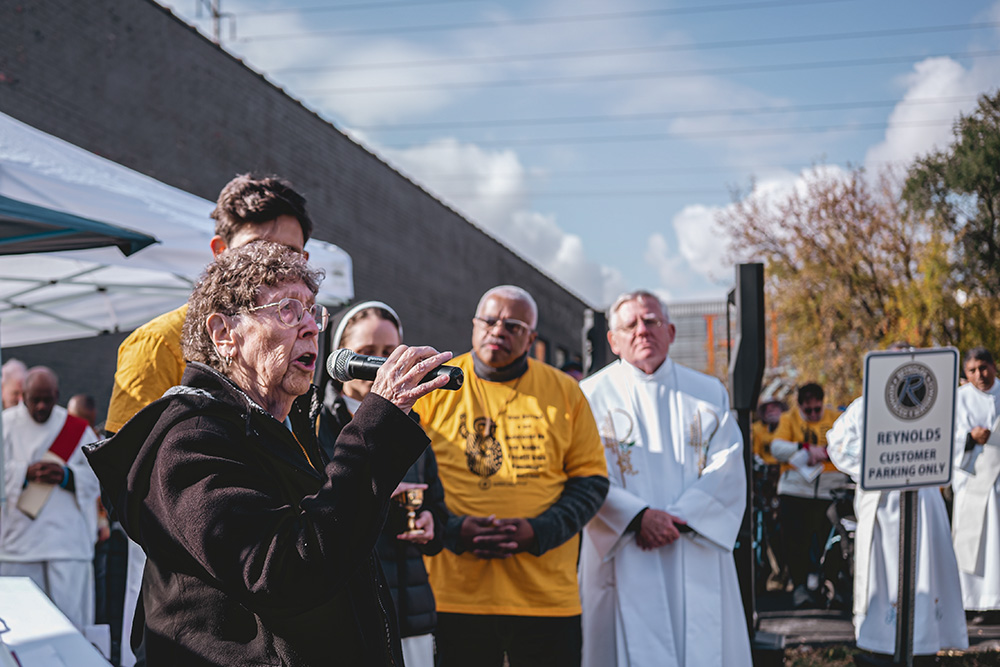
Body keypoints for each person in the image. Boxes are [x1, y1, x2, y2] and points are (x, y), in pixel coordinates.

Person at [84, 242, 452, 666]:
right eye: (288, 310)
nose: (312, 327)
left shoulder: (284, 429)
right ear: (224, 334)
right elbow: (285, 571)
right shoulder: (189, 439)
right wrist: (375, 427)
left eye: (314, 311)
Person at [104, 172, 314, 666]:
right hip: (194, 590)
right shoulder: (156, 343)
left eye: (295, 255)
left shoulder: (298, 346)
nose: (279, 264)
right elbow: (128, 486)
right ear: (220, 250)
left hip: (282, 579)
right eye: (262, 248)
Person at [415, 285, 609, 667]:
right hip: (453, 591)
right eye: (489, 320)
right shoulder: (435, 386)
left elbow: (591, 483)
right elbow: (407, 480)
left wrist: (539, 532)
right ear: (473, 324)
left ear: (532, 338)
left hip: (545, 596)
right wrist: (452, 530)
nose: (497, 330)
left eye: (513, 325)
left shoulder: (565, 392)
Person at [579, 290, 752, 667]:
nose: (643, 331)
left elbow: (727, 466)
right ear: (613, 339)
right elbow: (580, 472)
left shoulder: (708, 392)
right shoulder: (587, 397)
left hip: (692, 544)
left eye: (652, 321)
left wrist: (675, 518)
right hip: (622, 548)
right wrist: (638, 517)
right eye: (630, 324)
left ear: (670, 331)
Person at [318, 301, 447, 667]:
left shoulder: (414, 426)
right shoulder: (318, 423)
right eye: (367, 353)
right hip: (350, 609)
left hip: (413, 609)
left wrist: (430, 524)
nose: (380, 364)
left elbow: (440, 513)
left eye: (389, 353)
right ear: (341, 356)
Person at [826, 343, 967, 656]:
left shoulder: (935, 403)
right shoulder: (865, 405)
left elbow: (954, 440)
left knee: (923, 563)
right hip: (881, 499)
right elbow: (836, 445)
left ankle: (924, 641)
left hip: (923, 499)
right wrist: (880, 463)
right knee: (882, 569)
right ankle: (880, 642)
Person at [1, 367, 101, 629]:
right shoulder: (5, 425)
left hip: (65, 543)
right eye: (35, 399)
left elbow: (98, 477)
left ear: (57, 394)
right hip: (17, 544)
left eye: (48, 399)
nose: (42, 406)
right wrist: (24, 472)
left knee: (70, 626)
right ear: (23, 396)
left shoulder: (77, 430)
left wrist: (67, 476)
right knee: (22, 627)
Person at [770, 382, 849, 607]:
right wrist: (803, 449)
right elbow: (777, 447)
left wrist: (825, 452)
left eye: (817, 409)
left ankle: (832, 586)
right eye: (809, 411)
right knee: (797, 543)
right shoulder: (789, 419)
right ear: (800, 406)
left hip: (829, 491)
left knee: (832, 542)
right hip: (796, 491)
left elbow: (848, 446)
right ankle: (800, 588)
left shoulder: (835, 418)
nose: (814, 414)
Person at [952, 346, 1000, 620]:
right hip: (972, 481)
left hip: (999, 480)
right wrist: (969, 437)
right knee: (975, 545)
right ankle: (973, 602)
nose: (980, 375)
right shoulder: (959, 399)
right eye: (972, 370)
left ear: (994, 366)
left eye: (984, 368)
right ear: (966, 374)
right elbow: (948, 438)